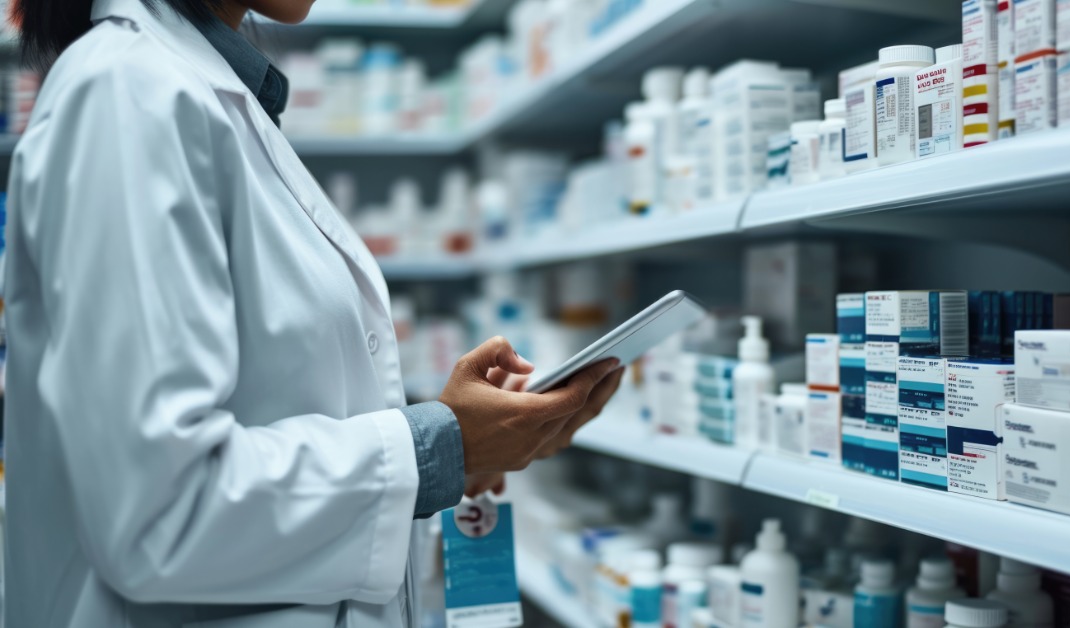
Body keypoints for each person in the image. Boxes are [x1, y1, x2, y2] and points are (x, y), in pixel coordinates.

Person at [3, 0, 625, 626]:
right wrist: (440, 445)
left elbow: (270, 419)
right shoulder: (126, 93)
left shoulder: (207, 95)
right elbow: (159, 511)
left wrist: (465, 454)